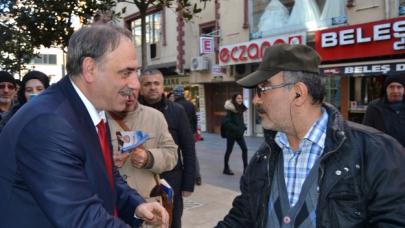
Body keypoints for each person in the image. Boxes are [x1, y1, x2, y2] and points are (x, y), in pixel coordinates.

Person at [216, 44, 405, 227]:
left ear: (298, 93)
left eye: (262, 88)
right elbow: (240, 218)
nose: (256, 100)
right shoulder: (263, 157)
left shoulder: (377, 153)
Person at [0, 24, 168, 228]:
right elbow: (81, 218)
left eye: (135, 72)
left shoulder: (93, 109)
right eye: (126, 72)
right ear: (90, 69)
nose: (136, 84)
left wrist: (135, 205)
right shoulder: (49, 123)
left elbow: (106, 174)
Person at [107, 74, 178, 227]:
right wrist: (108, 161)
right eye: (123, 90)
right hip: (112, 205)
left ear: (139, 89)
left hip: (150, 204)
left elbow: (172, 155)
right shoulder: (100, 119)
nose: (129, 94)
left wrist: (149, 158)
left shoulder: (155, 117)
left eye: (133, 89)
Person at [139, 69, 196, 228]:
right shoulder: (132, 112)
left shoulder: (177, 111)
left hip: (171, 181)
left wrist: (187, 183)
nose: (152, 87)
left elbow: (188, 148)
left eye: (156, 83)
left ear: (162, 86)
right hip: (142, 179)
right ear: (141, 87)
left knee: (172, 222)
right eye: (147, 84)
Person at [362, 75, 405, 147]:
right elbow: (366, 132)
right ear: (386, 89)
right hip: (383, 153)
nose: (395, 90)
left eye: (399, 87)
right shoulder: (374, 107)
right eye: (391, 87)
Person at [172, 85, 202, 185]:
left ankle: (182, 177)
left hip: (177, 134)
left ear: (175, 94)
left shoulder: (173, 106)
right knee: (192, 155)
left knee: (177, 155)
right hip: (190, 133)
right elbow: (194, 119)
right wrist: (193, 132)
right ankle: (197, 177)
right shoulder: (190, 104)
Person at [221, 93, 248, 175]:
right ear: (234, 99)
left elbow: (239, 121)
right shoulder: (230, 110)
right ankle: (226, 168)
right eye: (238, 98)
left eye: (241, 98)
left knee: (245, 149)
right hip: (231, 134)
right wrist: (237, 128)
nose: (240, 100)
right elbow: (226, 123)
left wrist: (243, 127)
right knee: (229, 151)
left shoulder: (240, 108)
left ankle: (246, 169)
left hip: (239, 134)